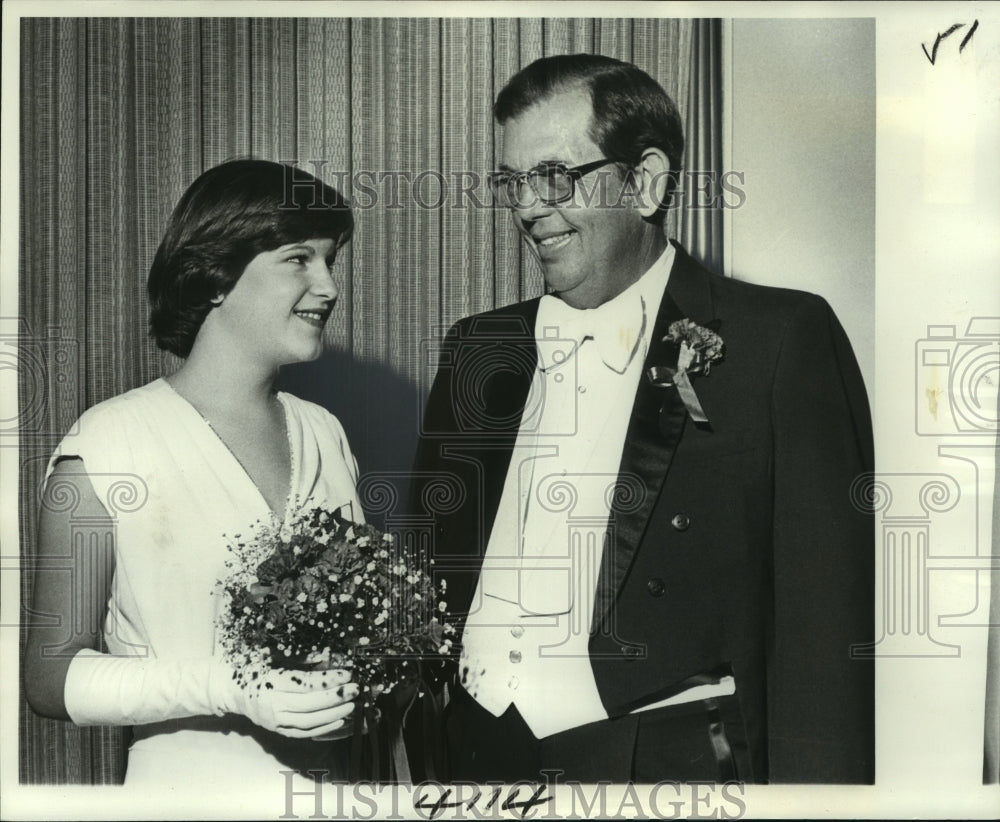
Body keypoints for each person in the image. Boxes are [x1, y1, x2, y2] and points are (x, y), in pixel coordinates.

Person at [411, 54, 875, 784]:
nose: (530, 207)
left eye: (557, 177)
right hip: (478, 762)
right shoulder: (479, 349)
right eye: (512, 182)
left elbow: (827, 628)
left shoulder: (780, 339)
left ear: (647, 181)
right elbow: (432, 567)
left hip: (663, 763)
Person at [23, 159, 364, 787]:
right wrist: (231, 684)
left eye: (330, 261)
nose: (328, 286)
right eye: (298, 259)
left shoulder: (325, 432)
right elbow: (50, 680)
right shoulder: (108, 441)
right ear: (214, 277)